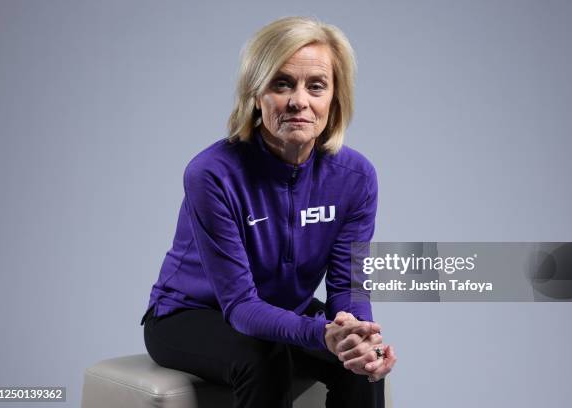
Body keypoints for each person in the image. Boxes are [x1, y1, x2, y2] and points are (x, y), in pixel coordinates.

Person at [140, 16, 396, 408]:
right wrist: (319, 334)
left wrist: (356, 334)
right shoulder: (212, 173)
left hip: (280, 310)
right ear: (255, 95)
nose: (299, 100)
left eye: (316, 86)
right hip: (187, 315)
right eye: (281, 83)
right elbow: (241, 306)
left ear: (335, 98)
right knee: (264, 356)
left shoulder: (355, 177)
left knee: (359, 361)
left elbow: (346, 287)